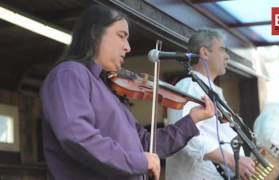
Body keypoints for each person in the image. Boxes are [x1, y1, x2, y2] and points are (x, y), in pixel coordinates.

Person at [40, 5, 215, 180]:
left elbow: (146, 145)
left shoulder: (109, 89)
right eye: (121, 36)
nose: (128, 47)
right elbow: (77, 136)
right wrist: (138, 162)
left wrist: (192, 119)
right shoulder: (70, 73)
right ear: (95, 33)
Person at [165, 28, 256, 180]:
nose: (227, 57)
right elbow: (186, 138)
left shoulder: (214, 91)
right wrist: (233, 160)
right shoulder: (188, 86)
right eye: (222, 50)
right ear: (205, 53)